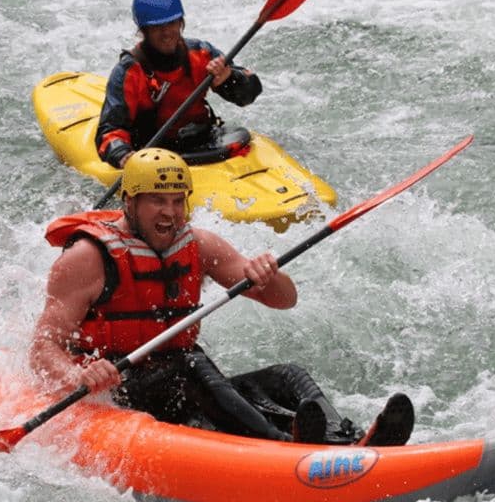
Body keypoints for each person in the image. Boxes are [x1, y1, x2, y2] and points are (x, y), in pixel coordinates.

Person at [29, 148, 414, 445]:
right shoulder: (87, 259)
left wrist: (269, 276)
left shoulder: (197, 244)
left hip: (185, 384)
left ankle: (348, 438)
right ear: (129, 201)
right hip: (122, 392)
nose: (171, 213)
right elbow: (43, 347)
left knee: (286, 376)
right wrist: (79, 374)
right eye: (157, 201)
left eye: (178, 200)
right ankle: (284, 448)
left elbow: (284, 300)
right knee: (191, 365)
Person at [94, 0, 263, 168]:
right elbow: (110, 130)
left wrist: (229, 78)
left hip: (201, 141)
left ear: (180, 22)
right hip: (153, 153)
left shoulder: (202, 54)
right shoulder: (128, 72)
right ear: (144, 30)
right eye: (157, 27)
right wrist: (123, 155)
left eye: (171, 23)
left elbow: (249, 95)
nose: (167, 33)